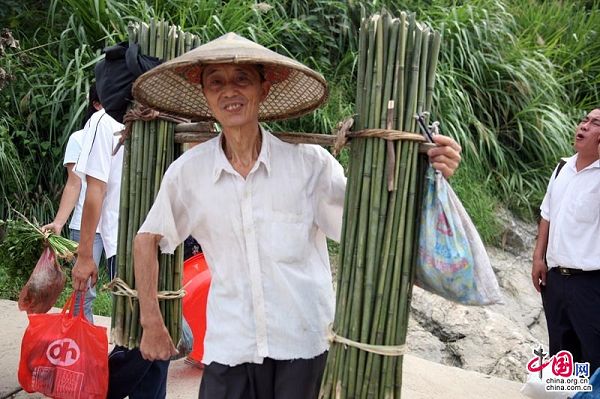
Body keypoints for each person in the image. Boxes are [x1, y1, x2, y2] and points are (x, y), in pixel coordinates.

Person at [132, 33, 462, 398]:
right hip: (231, 344)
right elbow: (147, 239)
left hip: (304, 346)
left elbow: (373, 220)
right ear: (206, 95)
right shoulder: (189, 173)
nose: (230, 91)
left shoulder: (310, 165)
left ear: (265, 88)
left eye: (242, 79)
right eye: (216, 82)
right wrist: (151, 320)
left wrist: (430, 174)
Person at [532, 108, 600, 374]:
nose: (584, 126)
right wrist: (538, 258)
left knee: (594, 357)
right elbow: (547, 214)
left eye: (595, 123)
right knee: (562, 358)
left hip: (591, 284)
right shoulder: (562, 167)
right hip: (555, 280)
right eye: (584, 119)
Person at [42, 84, 104, 322]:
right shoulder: (79, 138)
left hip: (121, 225)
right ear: (96, 105)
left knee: (129, 288)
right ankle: (82, 351)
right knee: (83, 291)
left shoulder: (132, 135)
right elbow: (74, 183)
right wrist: (59, 222)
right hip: (86, 226)